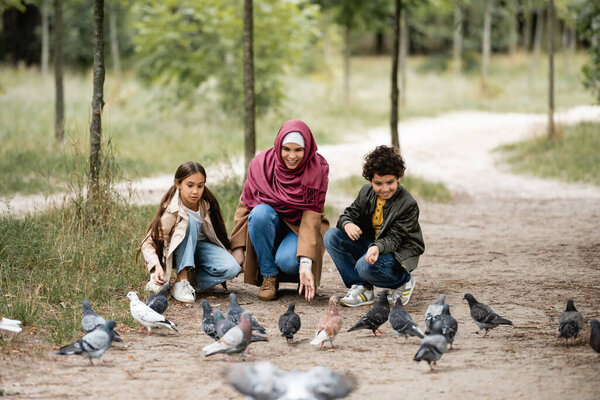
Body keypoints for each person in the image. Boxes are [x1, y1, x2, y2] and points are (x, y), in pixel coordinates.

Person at [230, 120, 329, 302]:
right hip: (268, 223)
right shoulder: (261, 164)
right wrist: (237, 248)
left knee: (288, 262)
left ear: (307, 150)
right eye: (287, 149)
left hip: (299, 228)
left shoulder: (317, 170)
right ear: (278, 146)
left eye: (298, 150)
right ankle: (269, 276)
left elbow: (311, 217)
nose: (292, 156)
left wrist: (306, 263)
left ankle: (297, 272)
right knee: (259, 213)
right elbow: (246, 203)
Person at [324, 145, 424, 307]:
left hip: (396, 253)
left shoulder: (408, 204)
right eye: (378, 183)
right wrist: (347, 223)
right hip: (373, 246)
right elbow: (349, 214)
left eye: (390, 182)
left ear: (399, 177)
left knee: (364, 266)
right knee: (332, 236)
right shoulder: (366, 192)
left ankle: (403, 282)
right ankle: (362, 288)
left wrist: (377, 247)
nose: (384, 189)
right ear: (370, 181)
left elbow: (395, 239)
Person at [139, 161, 241, 303]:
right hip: (178, 250)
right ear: (178, 184)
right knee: (189, 222)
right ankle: (181, 280)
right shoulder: (171, 210)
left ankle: (191, 281)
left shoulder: (207, 204)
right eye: (190, 185)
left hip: (200, 248)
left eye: (200, 186)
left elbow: (217, 235)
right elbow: (148, 242)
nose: (195, 191)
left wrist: (230, 251)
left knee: (232, 268)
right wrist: (156, 266)